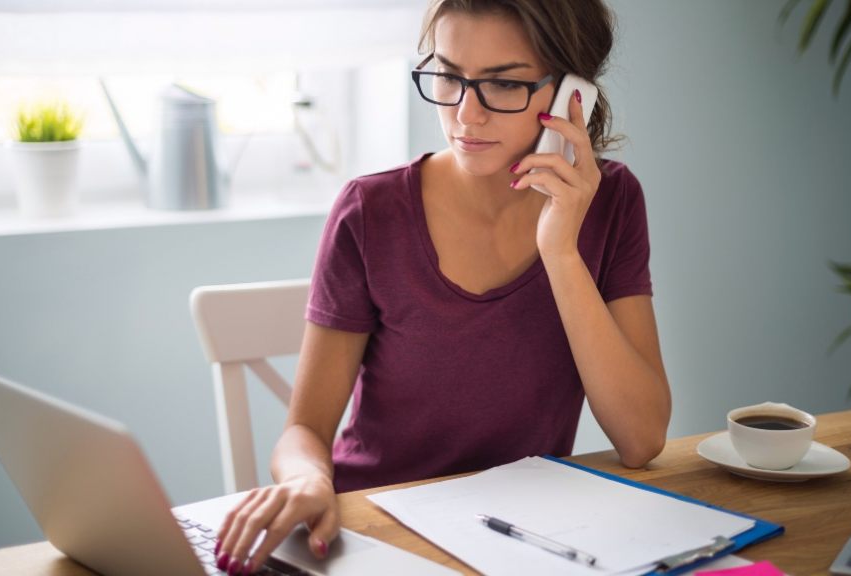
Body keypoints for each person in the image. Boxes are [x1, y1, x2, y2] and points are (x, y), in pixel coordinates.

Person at [213, 0, 671, 573]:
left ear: (571, 96)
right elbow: (304, 428)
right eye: (449, 77)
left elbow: (642, 438)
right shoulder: (368, 211)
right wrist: (308, 479)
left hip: (519, 539)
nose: (465, 115)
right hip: (375, 533)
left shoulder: (613, 202)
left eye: (503, 85)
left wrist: (560, 250)